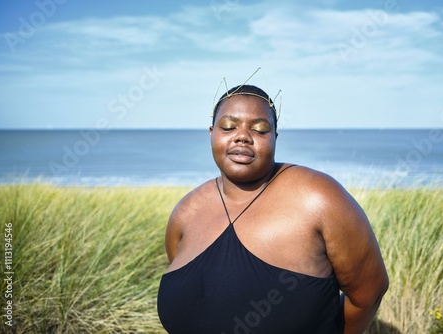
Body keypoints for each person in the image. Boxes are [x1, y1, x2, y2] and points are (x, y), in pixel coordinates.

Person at [157, 84, 389, 334]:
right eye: (228, 126)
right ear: (212, 133)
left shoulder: (318, 198)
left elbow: (368, 292)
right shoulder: (185, 212)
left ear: (275, 137)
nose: (243, 136)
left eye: (260, 129)